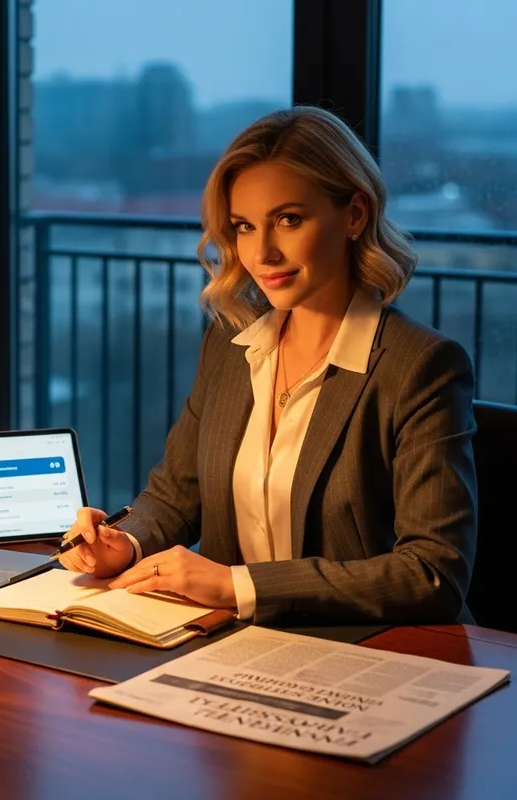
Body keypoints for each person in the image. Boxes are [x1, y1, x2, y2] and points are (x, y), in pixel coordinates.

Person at [58, 106, 477, 627]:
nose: (262, 254)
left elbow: (433, 572)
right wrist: (124, 542)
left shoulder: (422, 366)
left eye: (289, 220)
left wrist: (236, 585)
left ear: (355, 215)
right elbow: (175, 496)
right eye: (245, 226)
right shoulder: (230, 342)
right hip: (234, 642)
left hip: (369, 647)